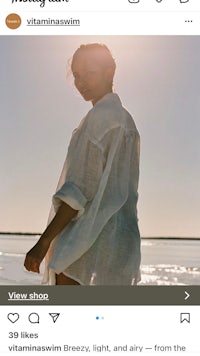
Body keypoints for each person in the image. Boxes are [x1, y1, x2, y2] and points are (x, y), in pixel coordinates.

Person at [24, 43, 141, 285]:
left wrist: (43, 242)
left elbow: (77, 193)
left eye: (90, 73)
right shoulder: (127, 123)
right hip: (120, 250)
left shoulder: (98, 119)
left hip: (83, 250)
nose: (81, 81)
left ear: (110, 71)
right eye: (77, 75)